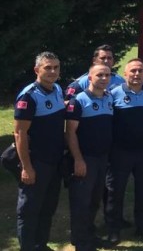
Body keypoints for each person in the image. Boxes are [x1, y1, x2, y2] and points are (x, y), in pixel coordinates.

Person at [14, 52, 66, 251]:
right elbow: (19, 133)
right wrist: (26, 167)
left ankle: (41, 245)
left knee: (48, 207)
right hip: (37, 161)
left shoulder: (57, 89)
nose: (53, 71)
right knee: (29, 210)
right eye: (48, 68)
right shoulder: (29, 96)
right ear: (37, 70)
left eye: (56, 67)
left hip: (55, 160)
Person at [105, 59, 143, 244]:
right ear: (125, 74)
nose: (136, 74)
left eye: (140, 71)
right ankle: (113, 230)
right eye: (133, 71)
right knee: (115, 192)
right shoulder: (113, 93)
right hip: (120, 152)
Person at [66, 64, 114, 251]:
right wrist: (78, 159)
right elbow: (70, 133)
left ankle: (90, 235)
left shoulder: (109, 98)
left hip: (102, 158)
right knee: (81, 202)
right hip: (85, 158)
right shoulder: (78, 101)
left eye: (107, 75)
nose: (104, 78)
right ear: (90, 77)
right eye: (99, 75)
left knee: (95, 200)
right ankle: (80, 242)